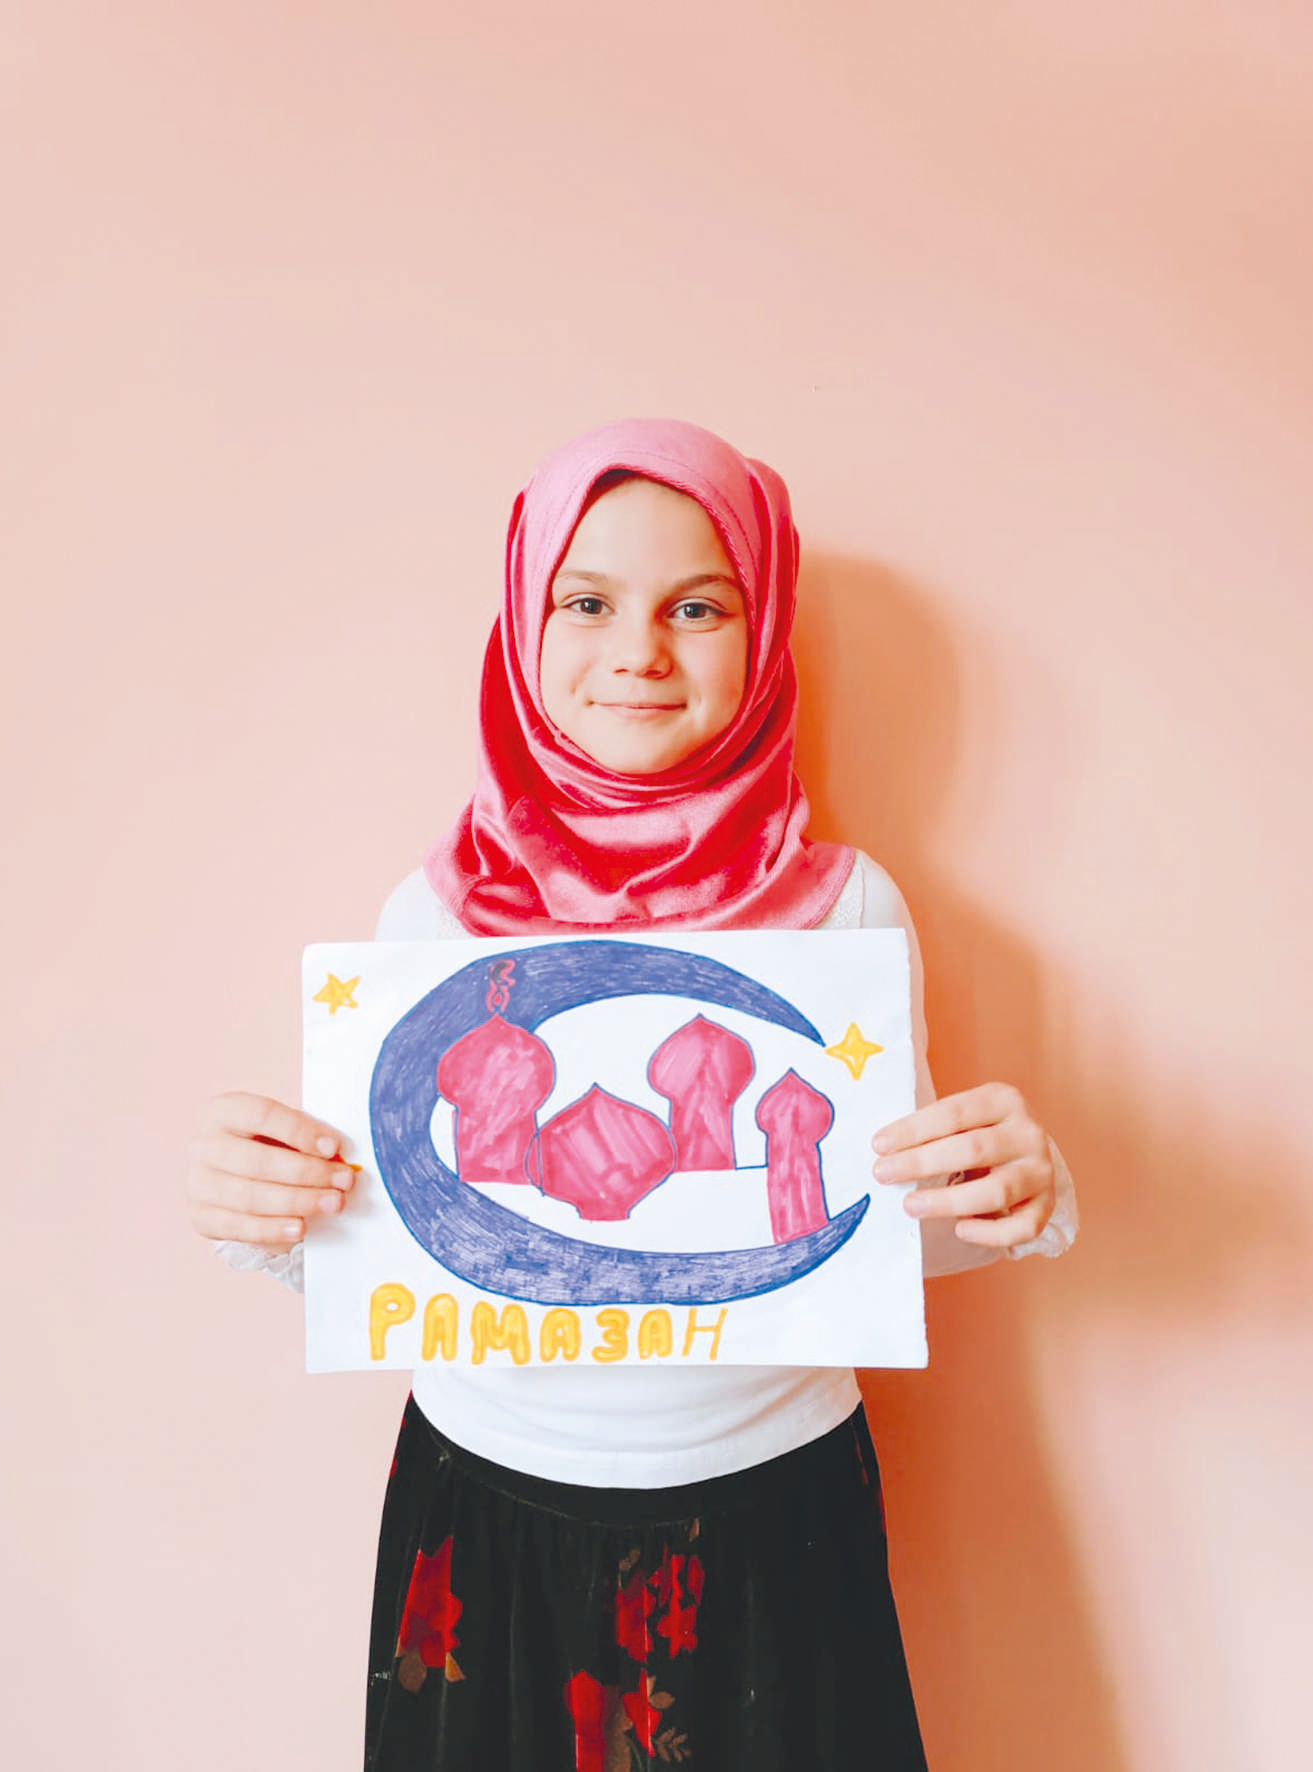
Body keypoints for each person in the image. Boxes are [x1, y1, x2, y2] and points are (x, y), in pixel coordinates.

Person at [186, 418, 1077, 1771]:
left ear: (763, 630)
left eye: (697, 607)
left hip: (777, 1509)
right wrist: (261, 1216)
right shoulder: (432, 921)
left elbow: (877, 1228)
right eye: (587, 602)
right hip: (487, 1508)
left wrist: (1012, 1197)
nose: (640, 652)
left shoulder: (844, 912)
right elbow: (389, 1252)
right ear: (521, 622)